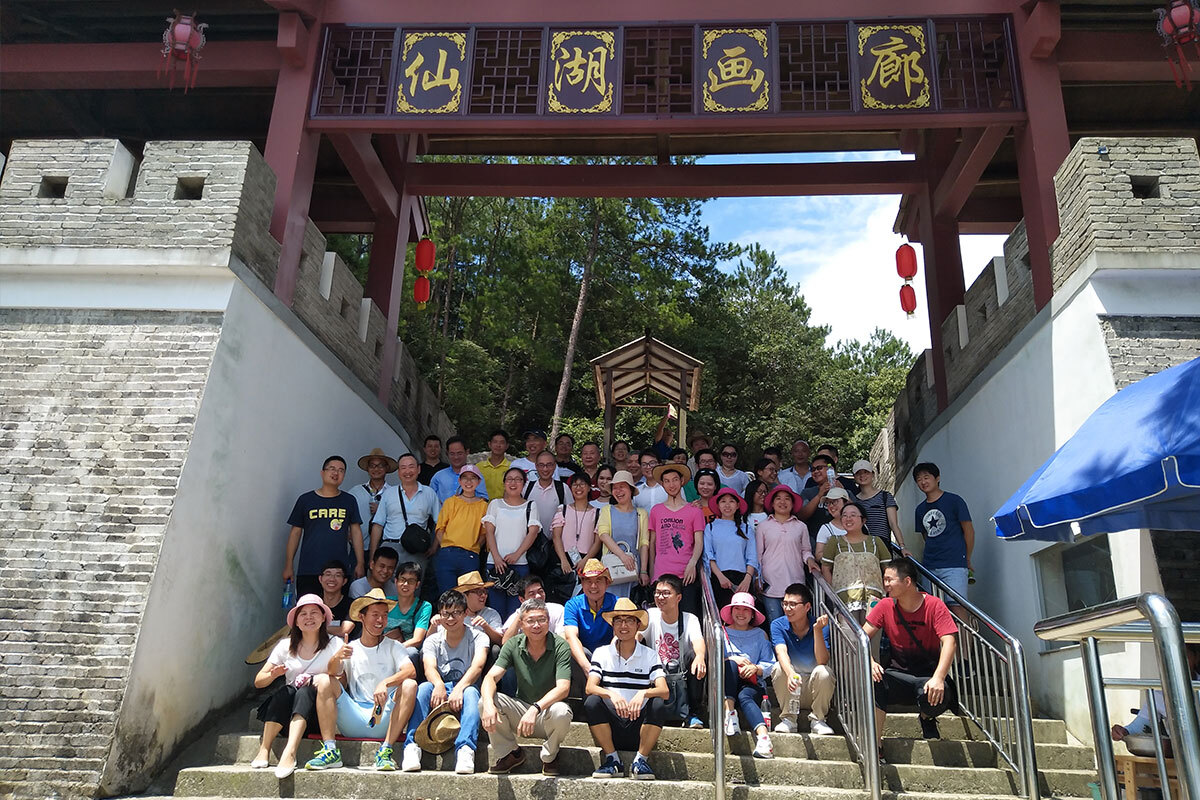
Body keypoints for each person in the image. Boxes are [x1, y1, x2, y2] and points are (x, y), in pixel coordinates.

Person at [306, 588, 417, 771]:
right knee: (325, 680)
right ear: (361, 617)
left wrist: (385, 683)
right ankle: (330, 750)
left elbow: (410, 671)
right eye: (375, 615)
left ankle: (386, 750)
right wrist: (337, 657)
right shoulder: (350, 648)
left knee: (410, 685)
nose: (380, 620)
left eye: (384, 615)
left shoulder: (393, 646)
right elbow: (334, 674)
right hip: (354, 716)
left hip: (383, 717)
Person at [864, 559, 959, 746]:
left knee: (941, 693)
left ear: (907, 581)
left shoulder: (934, 605)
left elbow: (950, 641)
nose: (885, 584)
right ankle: (876, 745)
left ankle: (926, 717)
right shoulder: (885, 605)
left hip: (927, 676)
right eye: (884, 579)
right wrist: (871, 661)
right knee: (875, 682)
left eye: (889, 579)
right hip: (896, 674)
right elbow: (861, 636)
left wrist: (939, 677)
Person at [251, 595, 344, 779]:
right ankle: (264, 749)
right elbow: (258, 681)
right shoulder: (285, 646)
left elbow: (342, 681)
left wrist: (317, 678)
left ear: (323, 617)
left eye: (314, 613)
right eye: (303, 614)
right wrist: (273, 674)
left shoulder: (335, 644)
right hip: (286, 717)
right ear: (296, 621)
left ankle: (290, 752)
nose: (309, 617)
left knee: (305, 692)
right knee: (286, 691)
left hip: (319, 717)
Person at [481, 598, 573, 776]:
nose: (536, 625)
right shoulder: (513, 644)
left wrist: (536, 708)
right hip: (521, 711)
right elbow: (490, 677)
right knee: (485, 701)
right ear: (521, 624)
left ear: (548, 622)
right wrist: (488, 705)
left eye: (541, 620)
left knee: (562, 711)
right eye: (530, 621)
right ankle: (510, 754)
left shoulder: (560, 645)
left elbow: (563, 688)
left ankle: (550, 756)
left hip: (547, 712)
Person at [404, 589, 487, 774]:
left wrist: (459, 688)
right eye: (446, 613)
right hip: (440, 686)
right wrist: (439, 685)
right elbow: (429, 667)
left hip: (467, 685)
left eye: (456, 612)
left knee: (471, 693)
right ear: (440, 615)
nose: (450, 618)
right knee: (423, 688)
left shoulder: (478, 637)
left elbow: (477, 667)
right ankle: (412, 746)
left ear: (465, 613)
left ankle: (465, 749)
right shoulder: (433, 640)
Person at [586, 598, 669, 780]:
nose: (624, 626)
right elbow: (590, 687)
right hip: (612, 725)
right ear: (613, 625)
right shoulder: (602, 652)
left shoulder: (649, 655)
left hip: (639, 726)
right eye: (619, 621)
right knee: (592, 702)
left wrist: (643, 693)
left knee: (657, 703)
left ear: (638, 625)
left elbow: (664, 690)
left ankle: (641, 760)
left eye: (629, 620)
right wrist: (611, 694)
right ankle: (612, 759)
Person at [284, 456, 365, 596]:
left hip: (339, 571)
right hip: (309, 569)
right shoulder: (306, 500)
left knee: (337, 609)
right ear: (322, 473)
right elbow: (295, 533)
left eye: (341, 470)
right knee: (309, 607)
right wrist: (289, 564)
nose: (336, 473)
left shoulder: (349, 500)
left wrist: (360, 562)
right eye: (332, 469)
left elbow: (356, 532)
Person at [642, 574, 707, 729]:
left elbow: (698, 641)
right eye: (657, 593)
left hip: (681, 672)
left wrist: (700, 656)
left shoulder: (689, 619)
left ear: (678, 598)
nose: (660, 597)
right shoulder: (651, 615)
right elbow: (637, 635)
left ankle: (693, 713)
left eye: (666, 593)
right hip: (657, 672)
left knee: (695, 658)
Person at [769, 583, 835, 735]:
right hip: (792, 685)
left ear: (807, 607)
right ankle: (789, 719)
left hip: (813, 686)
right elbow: (781, 652)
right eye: (785, 604)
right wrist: (790, 673)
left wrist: (817, 631)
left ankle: (818, 719)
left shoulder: (820, 626)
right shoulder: (777, 625)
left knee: (824, 671)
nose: (787, 608)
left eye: (793, 604)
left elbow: (822, 660)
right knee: (778, 667)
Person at [720, 592, 777, 759]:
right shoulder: (721, 632)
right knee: (730, 664)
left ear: (752, 614)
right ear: (731, 611)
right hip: (727, 681)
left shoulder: (760, 634)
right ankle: (730, 714)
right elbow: (713, 662)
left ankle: (764, 739)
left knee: (745, 696)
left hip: (751, 683)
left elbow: (769, 663)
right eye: (737, 608)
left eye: (746, 609)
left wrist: (755, 668)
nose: (741, 613)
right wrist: (732, 659)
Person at [647, 463, 705, 616]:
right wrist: (652, 572)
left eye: (674, 480)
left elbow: (699, 541)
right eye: (666, 481)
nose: (671, 485)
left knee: (688, 617)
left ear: (682, 481)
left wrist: (692, 563)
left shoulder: (694, 510)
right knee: (663, 619)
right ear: (662, 484)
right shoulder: (656, 510)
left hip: (686, 574)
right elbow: (652, 543)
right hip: (662, 573)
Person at [483, 467, 543, 617]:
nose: (513, 483)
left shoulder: (531, 505)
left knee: (516, 610)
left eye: (518, 479)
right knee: (495, 609)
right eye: (509, 479)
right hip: (495, 564)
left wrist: (517, 554)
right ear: (504, 483)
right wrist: (496, 557)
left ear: (524, 483)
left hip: (520, 564)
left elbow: (533, 532)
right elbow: (489, 532)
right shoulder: (495, 504)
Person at [756, 485, 820, 623]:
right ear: (772, 504)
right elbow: (758, 555)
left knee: (797, 625)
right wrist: (757, 578)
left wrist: (810, 560)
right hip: (770, 583)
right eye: (778, 498)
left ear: (792, 503)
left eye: (787, 499)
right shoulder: (763, 526)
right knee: (776, 625)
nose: (782, 502)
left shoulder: (801, 526)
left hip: (795, 581)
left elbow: (805, 550)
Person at [1111, 645, 1200, 742]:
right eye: (1172, 657)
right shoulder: (1160, 693)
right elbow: (1139, 726)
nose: (1178, 662)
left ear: (1196, 657)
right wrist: (1122, 731)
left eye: (1183, 656)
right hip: (1180, 750)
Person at [913, 462, 975, 599]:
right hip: (929, 566)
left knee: (957, 605)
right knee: (933, 607)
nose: (923, 482)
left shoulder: (954, 501)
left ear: (937, 478)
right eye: (919, 479)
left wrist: (967, 558)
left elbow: (969, 531)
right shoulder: (920, 510)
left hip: (954, 564)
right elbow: (925, 536)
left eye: (926, 477)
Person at [822, 502, 891, 623]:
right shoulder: (835, 541)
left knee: (872, 634)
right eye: (844, 515)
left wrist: (886, 592)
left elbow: (888, 569)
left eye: (853, 515)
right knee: (848, 634)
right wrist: (833, 593)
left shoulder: (875, 541)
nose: (848, 518)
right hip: (845, 601)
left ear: (863, 520)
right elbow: (825, 567)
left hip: (873, 599)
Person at [370, 453, 439, 573]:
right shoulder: (389, 493)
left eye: (411, 467)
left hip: (416, 549)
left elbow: (440, 522)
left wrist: (434, 547)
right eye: (403, 467)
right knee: (385, 583)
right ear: (398, 472)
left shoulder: (429, 493)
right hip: (390, 546)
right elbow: (378, 525)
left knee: (413, 583)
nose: (407, 471)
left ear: (418, 469)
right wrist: (373, 554)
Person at [563, 559, 618, 695]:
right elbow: (570, 636)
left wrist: (609, 654)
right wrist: (587, 668)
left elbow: (621, 634)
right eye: (588, 581)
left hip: (611, 654)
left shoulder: (617, 603)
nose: (593, 586)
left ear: (607, 583)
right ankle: (586, 697)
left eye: (598, 581)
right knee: (572, 649)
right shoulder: (572, 605)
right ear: (582, 584)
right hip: (584, 657)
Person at [431, 464, 487, 595]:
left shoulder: (484, 506)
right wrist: (446, 546)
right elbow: (440, 528)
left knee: (468, 595)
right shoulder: (450, 502)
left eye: (473, 478)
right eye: (465, 478)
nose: (469, 481)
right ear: (459, 481)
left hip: (470, 555)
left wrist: (473, 547)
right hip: (447, 553)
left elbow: (483, 533)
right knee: (447, 595)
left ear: (479, 481)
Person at [596, 470, 649, 600]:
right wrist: (622, 556)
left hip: (633, 568)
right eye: (615, 488)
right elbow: (603, 535)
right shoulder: (607, 510)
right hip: (611, 568)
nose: (618, 491)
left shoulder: (641, 513)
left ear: (631, 490)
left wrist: (643, 570)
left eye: (622, 487)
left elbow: (644, 543)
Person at [704, 488, 759, 610]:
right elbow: (708, 555)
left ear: (737, 505)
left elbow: (752, 556)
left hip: (742, 580)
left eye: (731, 501)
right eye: (723, 501)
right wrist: (720, 576)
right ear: (718, 505)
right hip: (719, 579)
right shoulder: (711, 527)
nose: (727, 505)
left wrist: (747, 579)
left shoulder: (746, 529)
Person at [853, 460, 912, 556]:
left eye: (866, 472)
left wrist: (902, 546)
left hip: (882, 544)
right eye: (858, 473)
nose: (862, 475)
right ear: (854, 477)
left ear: (873, 474)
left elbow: (893, 524)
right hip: (861, 547)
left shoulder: (885, 496)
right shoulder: (854, 501)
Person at [347, 448, 396, 559]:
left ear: (387, 468)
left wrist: (382, 510)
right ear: (367, 469)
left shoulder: (394, 493)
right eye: (372, 466)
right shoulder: (355, 492)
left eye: (380, 465)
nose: (376, 469)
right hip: (359, 546)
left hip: (385, 548)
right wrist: (347, 532)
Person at [800, 453, 856, 549]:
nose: (816, 471)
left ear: (831, 469)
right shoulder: (807, 492)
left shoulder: (846, 491)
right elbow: (801, 516)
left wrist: (842, 492)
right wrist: (819, 495)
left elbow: (858, 514)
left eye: (819, 468)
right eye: (813, 469)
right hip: (815, 544)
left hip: (846, 544)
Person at [553, 472, 600, 581]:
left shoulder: (597, 513)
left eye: (582, 484)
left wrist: (585, 560)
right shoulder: (563, 509)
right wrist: (563, 560)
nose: (578, 488)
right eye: (575, 484)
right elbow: (556, 537)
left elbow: (597, 542)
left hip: (587, 560)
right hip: (563, 558)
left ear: (589, 488)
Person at [385, 562, 434, 666]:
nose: (406, 584)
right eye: (402, 580)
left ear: (417, 584)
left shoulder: (424, 606)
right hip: (383, 647)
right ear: (396, 581)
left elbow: (417, 639)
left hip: (406, 650)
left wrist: (393, 651)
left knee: (411, 652)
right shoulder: (385, 602)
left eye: (411, 581)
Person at [523, 451, 568, 550]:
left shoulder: (563, 488)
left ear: (555, 466)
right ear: (536, 466)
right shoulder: (526, 488)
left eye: (549, 465)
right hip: (530, 545)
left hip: (555, 545)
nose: (545, 469)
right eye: (541, 465)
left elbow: (570, 515)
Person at [502, 575, 567, 641]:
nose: (538, 596)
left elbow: (564, 638)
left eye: (540, 591)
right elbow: (505, 642)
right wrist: (521, 617)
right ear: (522, 599)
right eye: (532, 594)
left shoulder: (558, 610)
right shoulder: (517, 615)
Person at [431, 436, 490, 504]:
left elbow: (483, 499)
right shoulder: (438, 476)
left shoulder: (476, 476)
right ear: (447, 453)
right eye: (452, 454)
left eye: (459, 453)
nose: (456, 457)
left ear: (467, 452)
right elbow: (430, 498)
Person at [454, 570, 505, 646]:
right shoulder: (453, 615)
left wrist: (486, 627)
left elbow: (501, 641)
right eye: (479, 592)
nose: (483, 595)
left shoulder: (491, 613)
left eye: (485, 592)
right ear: (464, 596)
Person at [812, 488, 850, 565]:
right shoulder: (826, 528)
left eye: (835, 502)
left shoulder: (860, 525)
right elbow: (818, 555)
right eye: (828, 503)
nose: (831, 506)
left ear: (846, 503)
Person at [317, 560, 353, 637]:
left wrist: (315, 628)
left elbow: (344, 630)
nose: (332, 579)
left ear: (344, 581)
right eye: (328, 574)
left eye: (338, 575)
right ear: (320, 579)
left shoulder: (351, 605)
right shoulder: (314, 604)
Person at [478, 429, 512, 501]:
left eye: (502, 442)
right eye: (495, 442)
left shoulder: (511, 468)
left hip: (504, 506)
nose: (498, 445)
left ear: (507, 446)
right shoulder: (479, 467)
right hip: (482, 506)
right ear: (489, 444)